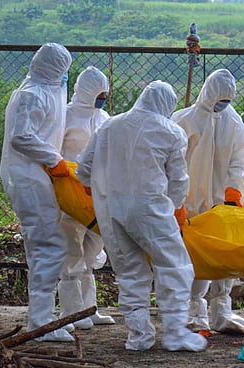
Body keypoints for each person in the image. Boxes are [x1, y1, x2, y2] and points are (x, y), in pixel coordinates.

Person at [77, 80, 207, 352]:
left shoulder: (109, 126)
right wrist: (172, 208)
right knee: (175, 267)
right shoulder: (171, 132)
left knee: (130, 273)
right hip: (150, 208)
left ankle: (138, 337)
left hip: (110, 209)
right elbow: (179, 180)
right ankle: (175, 334)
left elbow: (84, 169)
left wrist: (103, 189)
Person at [0, 43, 74, 342]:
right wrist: (53, 159)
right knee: (49, 245)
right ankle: (40, 322)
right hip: (28, 177)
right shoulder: (31, 95)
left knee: (43, 244)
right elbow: (21, 137)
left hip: (35, 176)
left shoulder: (47, 91)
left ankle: (42, 316)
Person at [171, 69, 244, 334]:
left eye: (228, 100)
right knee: (194, 258)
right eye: (220, 99)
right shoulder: (185, 120)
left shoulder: (234, 122)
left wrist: (234, 190)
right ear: (208, 93)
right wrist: (175, 201)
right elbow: (173, 164)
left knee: (224, 256)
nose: (223, 105)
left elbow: (240, 161)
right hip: (191, 202)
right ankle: (194, 313)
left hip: (223, 204)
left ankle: (222, 312)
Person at [57, 66, 115, 330]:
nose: (102, 98)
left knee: (92, 251)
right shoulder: (66, 116)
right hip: (70, 193)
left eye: (105, 93)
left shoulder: (104, 118)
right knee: (72, 251)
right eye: (99, 93)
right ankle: (70, 313)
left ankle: (88, 311)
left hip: (98, 194)